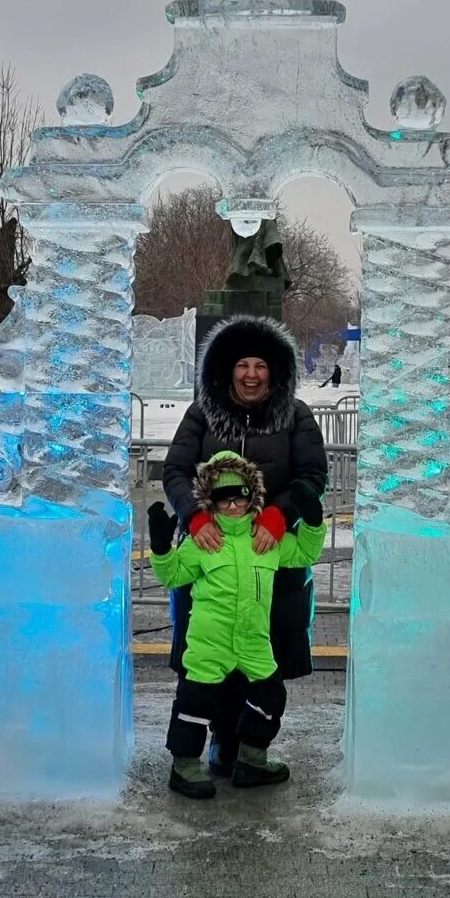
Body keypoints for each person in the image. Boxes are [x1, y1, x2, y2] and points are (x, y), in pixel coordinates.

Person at [162, 315, 328, 777]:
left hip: (269, 558)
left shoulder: (297, 416)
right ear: (227, 369)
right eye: (242, 365)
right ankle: (217, 743)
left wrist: (281, 512)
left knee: (264, 659)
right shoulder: (201, 413)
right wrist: (194, 518)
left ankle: (251, 747)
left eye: (260, 365)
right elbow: (175, 471)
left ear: (274, 371)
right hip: (211, 554)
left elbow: (313, 474)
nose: (251, 374)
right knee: (208, 657)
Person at [149, 451, 326, 799]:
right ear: (209, 501)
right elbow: (172, 575)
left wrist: (313, 522)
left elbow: (305, 553)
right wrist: (161, 547)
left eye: (240, 495)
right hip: (208, 642)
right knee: (194, 702)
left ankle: (252, 760)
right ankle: (184, 765)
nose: (232, 504)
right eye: (222, 497)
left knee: (271, 696)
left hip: (253, 641)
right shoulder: (204, 542)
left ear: (252, 496)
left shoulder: (266, 541)